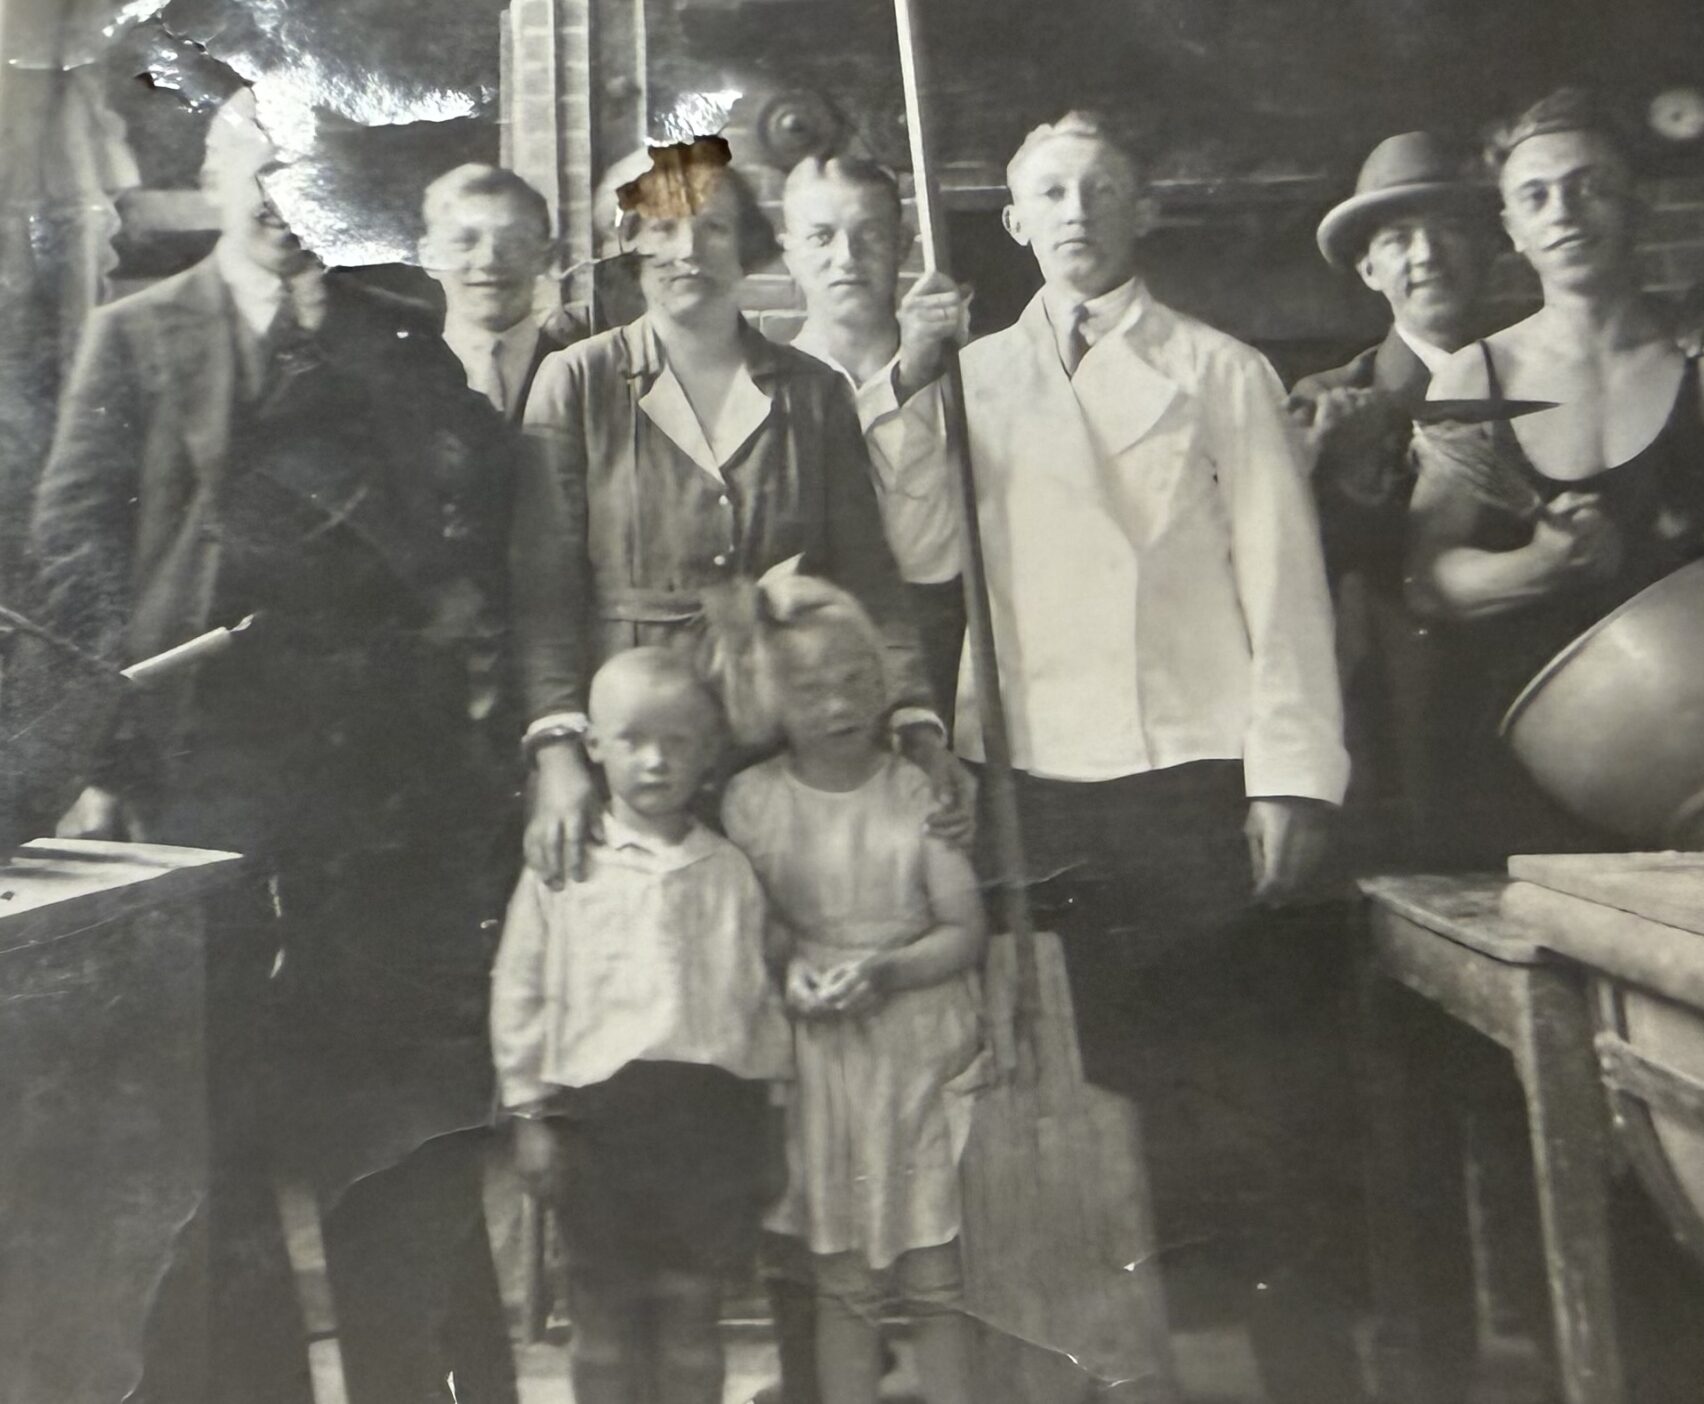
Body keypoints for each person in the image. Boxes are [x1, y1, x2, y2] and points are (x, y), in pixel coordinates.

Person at [31, 90, 518, 1404]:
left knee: (387, 1112)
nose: (283, 201)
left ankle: (407, 1381)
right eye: (261, 169)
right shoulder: (138, 335)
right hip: (205, 775)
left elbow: (469, 525)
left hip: (382, 786)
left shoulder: (396, 336)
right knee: (215, 1109)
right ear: (217, 175)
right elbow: (73, 561)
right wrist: (101, 762)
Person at [949, 112, 1360, 1401]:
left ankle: (1293, 1379)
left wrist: (1289, 771)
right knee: (1080, 1100)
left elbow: (1281, 577)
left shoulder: (1220, 369)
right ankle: (1119, 1375)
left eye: (1101, 188)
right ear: (1013, 222)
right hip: (1033, 782)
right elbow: (918, 548)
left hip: (1187, 766)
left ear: (1145, 212)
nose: (1075, 210)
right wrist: (904, 374)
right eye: (1050, 193)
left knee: (1231, 1097)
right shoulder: (965, 378)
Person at [1410, 87, 1704, 861]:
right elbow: (1428, 578)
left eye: (1590, 186)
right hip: (1557, 764)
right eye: (1536, 196)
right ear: (1513, 230)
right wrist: (1536, 567)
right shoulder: (1474, 377)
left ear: (1638, 206)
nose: (1564, 212)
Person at [513, 141, 969, 893]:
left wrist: (915, 722)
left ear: (747, 247)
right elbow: (543, 591)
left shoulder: (812, 392)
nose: (687, 249)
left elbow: (868, 576)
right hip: (635, 745)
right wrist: (558, 753)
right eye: (661, 228)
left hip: (783, 737)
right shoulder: (578, 382)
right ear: (628, 245)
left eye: (715, 228)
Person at [492, 646, 792, 1404]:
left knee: (694, 1317)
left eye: (677, 742)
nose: (655, 761)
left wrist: (772, 1118)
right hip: (596, 1125)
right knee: (602, 1320)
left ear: (709, 752)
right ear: (594, 745)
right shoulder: (564, 867)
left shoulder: (728, 871)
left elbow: (757, 1002)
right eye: (633, 740)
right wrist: (529, 1114)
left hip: (708, 1121)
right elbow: (520, 992)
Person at [719, 577, 988, 1404]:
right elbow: (753, 925)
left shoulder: (916, 792)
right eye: (809, 689)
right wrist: (790, 967)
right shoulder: (753, 802)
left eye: (857, 681)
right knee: (843, 1282)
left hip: (919, 1054)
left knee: (939, 1275)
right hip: (824, 1061)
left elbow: (964, 930)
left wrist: (890, 971)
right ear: (767, 699)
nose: (839, 704)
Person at [1292, 131, 1496, 869]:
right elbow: (1297, 577)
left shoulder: (1553, 368)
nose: (1427, 255)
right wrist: (1347, 478)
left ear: (1488, 247)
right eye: (1399, 239)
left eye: (1448, 230)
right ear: (1369, 269)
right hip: (1408, 725)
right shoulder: (1323, 402)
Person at [778, 154, 972, 724]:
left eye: (870, 235)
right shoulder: (763, 388)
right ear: (789, 253)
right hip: (810, 658)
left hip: (941, 651)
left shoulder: (963, 372)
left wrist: (918, 372)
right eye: (822, 237)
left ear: (904, 245)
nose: (847, 257)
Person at [420, 161, 589, 422]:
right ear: (429, 257)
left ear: (546, 257)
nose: (489, 260)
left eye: (512, 242)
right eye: (465, 241)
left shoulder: (588, 378)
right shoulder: (398, 375)